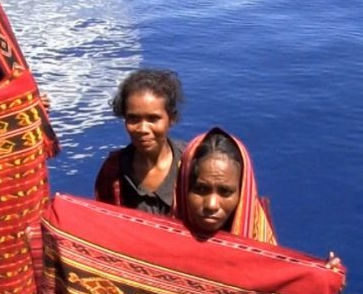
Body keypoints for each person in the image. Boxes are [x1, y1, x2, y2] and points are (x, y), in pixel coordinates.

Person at [94, 69, 185, 215]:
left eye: (153, 118)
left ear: (171, 118)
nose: (142, 129)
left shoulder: (192, 166)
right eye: (133, 118)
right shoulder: (113, 171)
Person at [173, 127, 277, 244]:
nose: (212, 205)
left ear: (242, 194)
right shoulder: (159, 239)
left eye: (225, 192)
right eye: (201, 189)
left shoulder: (264, 253)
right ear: (183, 189)